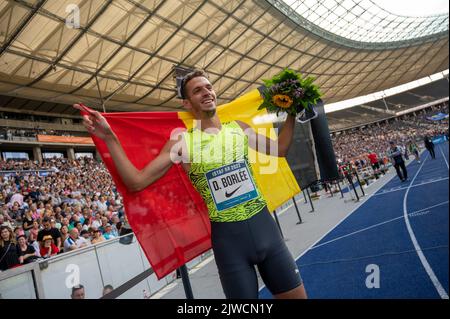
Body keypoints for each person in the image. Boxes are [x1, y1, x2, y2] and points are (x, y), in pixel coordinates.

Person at [74, 70, 306, 299]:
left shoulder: (239, 128)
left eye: (208, 87)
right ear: (186, 103)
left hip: (267, 231)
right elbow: (136, 182)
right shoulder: (182, 141)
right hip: (231, 245)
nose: (206, 92)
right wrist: (110, 138)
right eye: (197, 90)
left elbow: (281, 149)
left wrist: (292, 113)